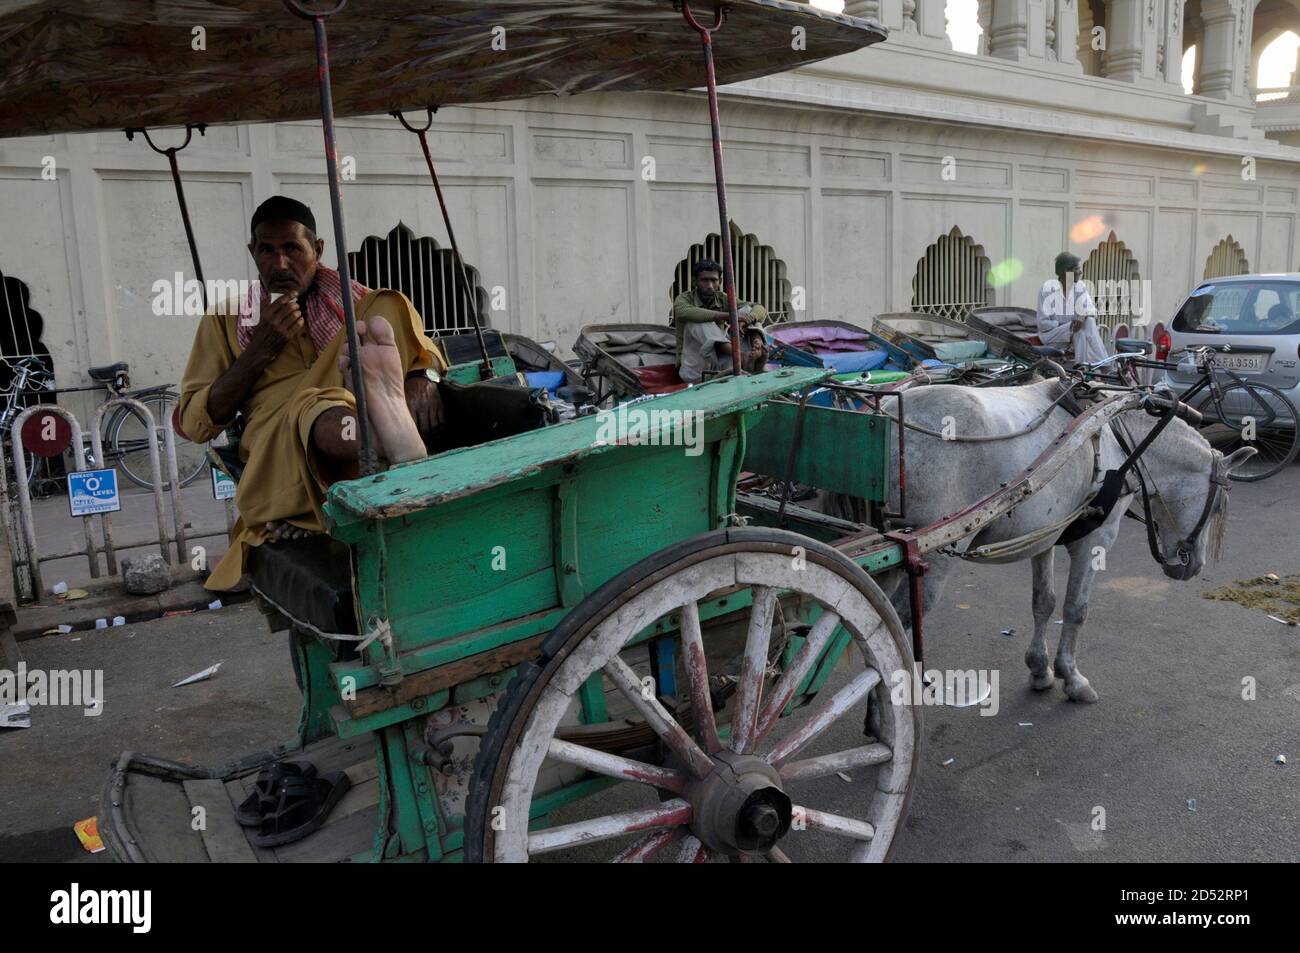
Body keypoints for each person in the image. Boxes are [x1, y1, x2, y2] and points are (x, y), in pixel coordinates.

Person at [179, 196, 445, 591]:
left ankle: (380, 422)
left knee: (387, 303)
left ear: (317, 250)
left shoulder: (352, 300)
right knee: (317, 409)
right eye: (267, 250)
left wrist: (424, 374)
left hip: (348, 395)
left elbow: (429, 351)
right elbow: (195, 422)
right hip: (278, 436)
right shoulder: (225, 318)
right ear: (252, 253)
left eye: (292, 249)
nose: (280, 264)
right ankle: (388, 444)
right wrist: (260, 349)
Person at [671, 259, 769, 383]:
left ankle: (757, 344)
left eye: (713, 280)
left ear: (720, 282)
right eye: (705, 280)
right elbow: (685, 312)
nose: (710, 285)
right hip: (695, 368)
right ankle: (742, 356)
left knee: (747, 311)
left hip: (722, 364)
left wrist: (745, 321)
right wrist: (731, 316)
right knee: (697, 321)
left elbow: (759, 308)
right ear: (695, 281)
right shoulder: (683, 299)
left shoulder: (722, 298)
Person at [1036, 252, 1108, 365]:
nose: (1080, 272)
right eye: (1077, 268)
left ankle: (1082, 367)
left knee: (1086, 322)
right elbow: (1043, 324)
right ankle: (1104, 365)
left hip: (1073, 334)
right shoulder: (1047, 290)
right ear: (1066, 271)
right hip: (1052, 337)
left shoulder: (1080, 287)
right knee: (1078, 327)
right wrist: (1067, 325)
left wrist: (1082, 316)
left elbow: (1092, 310)